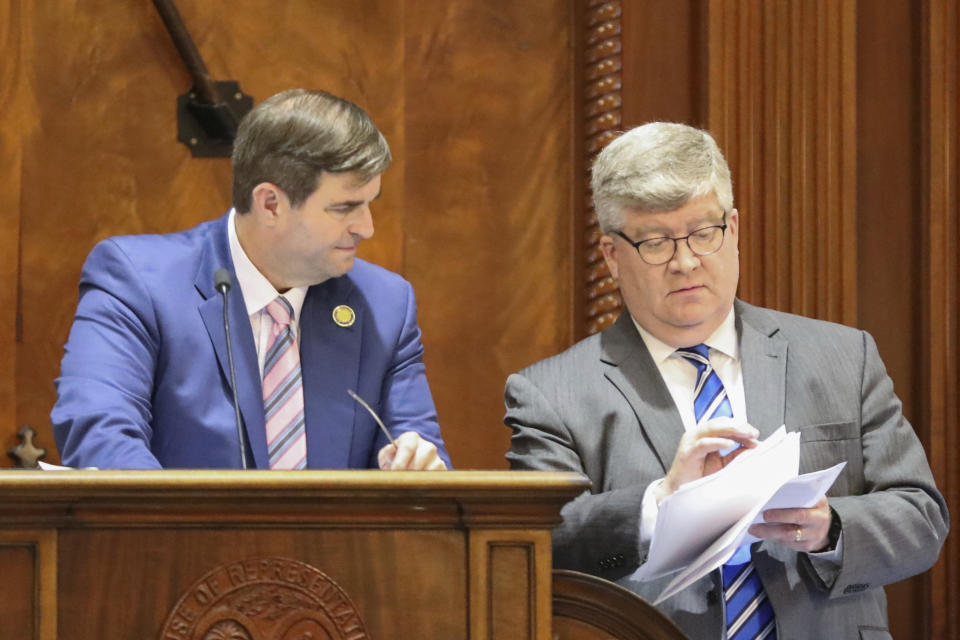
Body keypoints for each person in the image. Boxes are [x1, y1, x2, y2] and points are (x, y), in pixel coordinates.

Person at [504, 122, 948, 639]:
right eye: (655, 243)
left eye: (703, 233)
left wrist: (831, 527)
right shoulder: (549, 394)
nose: (685, 261)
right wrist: (661, 504)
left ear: (732, 228)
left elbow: (921, 518)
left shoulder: (843, 356)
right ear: (611, 255)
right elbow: (537, 544)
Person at [52, 88, 450, 472]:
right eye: (345, 208)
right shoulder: (138, 282)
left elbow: (419, 455)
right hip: (179, 539)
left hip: (333, 543)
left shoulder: (385, 305)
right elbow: (99, 434)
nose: (366, 227)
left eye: (369, 204)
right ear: (270, 203)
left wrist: (417, 467)